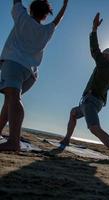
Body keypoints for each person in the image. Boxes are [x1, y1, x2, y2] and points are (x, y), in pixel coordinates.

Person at [0, 0, 69, 151]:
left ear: (31, 9)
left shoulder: (22, 18)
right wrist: (65, 5)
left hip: (14, 64)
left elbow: (16, 1)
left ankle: (13, 141)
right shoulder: (46, 30)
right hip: (30, 74)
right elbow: (57, 20)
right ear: (45, 16)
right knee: (9, 100)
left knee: (13, 98)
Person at [59, 13, 109, 163]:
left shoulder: (103, 64)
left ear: (108, 57)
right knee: (73, 113)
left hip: (91, 101)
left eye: (105, 53)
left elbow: (94, 48)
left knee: (94, 128)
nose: (102, 54)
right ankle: (67, 139)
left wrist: (94, 28)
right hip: (94, 102)